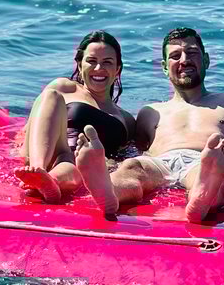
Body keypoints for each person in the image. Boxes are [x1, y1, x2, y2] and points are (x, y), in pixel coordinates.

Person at [76, 26, 224, 221]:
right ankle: (109, 191)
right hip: (161, 162)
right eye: (175, 56)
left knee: (213, 175)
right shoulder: (150, 111)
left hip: (205, 160)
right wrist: (109, 162)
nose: (184, 60)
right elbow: (135, 150)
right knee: (132, 167)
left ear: (206, 60)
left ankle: (203, 195)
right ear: (165, 67)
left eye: (192, 52)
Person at [15, 30, 137, 202]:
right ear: (80, 65)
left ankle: (50, 182)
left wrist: (110, 165)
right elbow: (29, 128)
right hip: (50, 150)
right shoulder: (65, 88)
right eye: (91, 61)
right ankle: (37, 170)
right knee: (50, 95)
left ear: (117, 69)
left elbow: (127, 155)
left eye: (107, 62)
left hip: (78, 166)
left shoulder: (126, 119)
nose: (98, 68)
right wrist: (20, 153)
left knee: (76, 164)